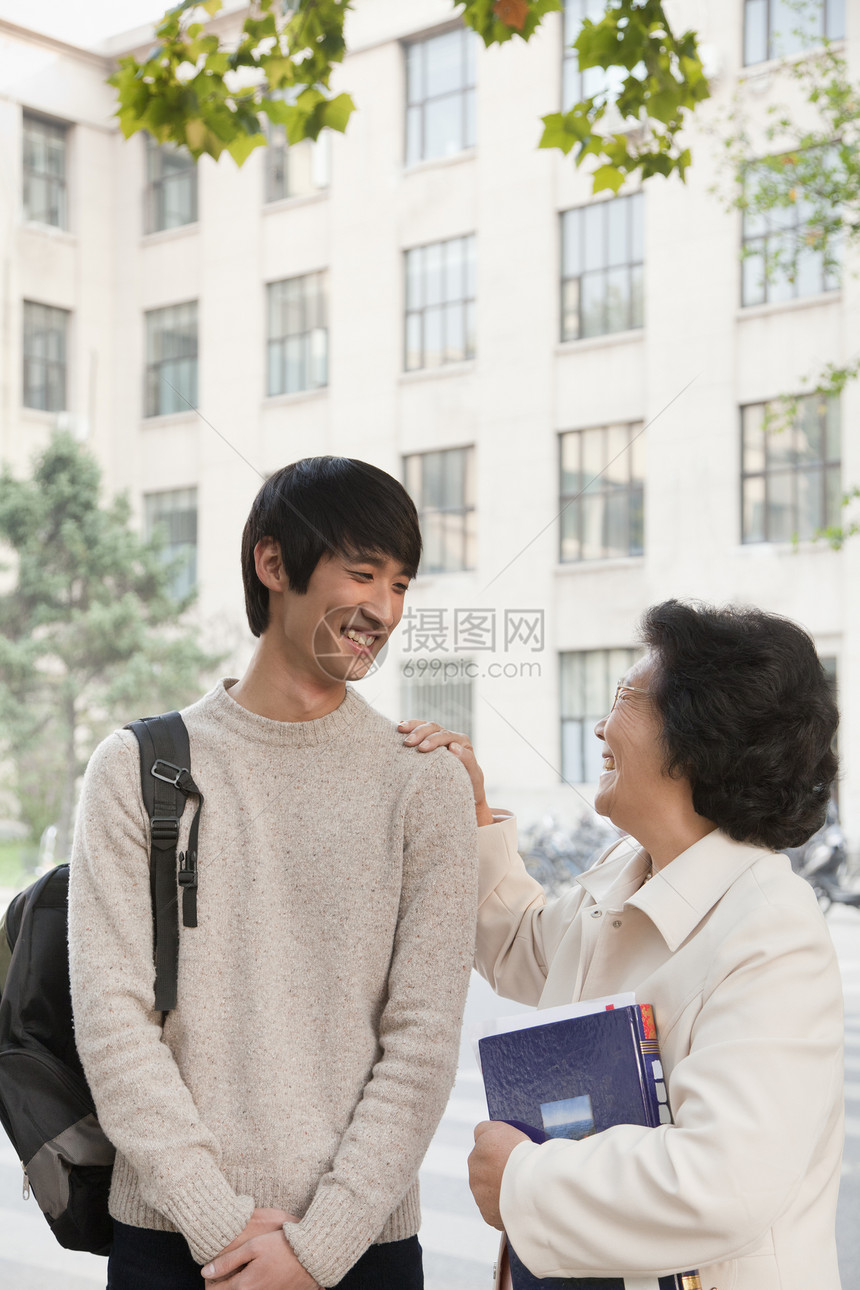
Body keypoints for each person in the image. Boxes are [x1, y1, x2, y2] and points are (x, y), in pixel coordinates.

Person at [68, 457, 478, 1290]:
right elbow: (114, 1021)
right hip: (172, 1241)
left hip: (365, 1248)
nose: (384, 609)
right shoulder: (137, 769)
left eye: (400, 584)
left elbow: (423, 1041)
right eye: (362, 573)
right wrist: (217, 1223)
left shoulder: (423, 781)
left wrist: (319, 1245)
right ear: (273, 563)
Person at [400, 599, 844, 1290]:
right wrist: (474, 817)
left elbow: (723, 1181)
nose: (603, 726)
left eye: (625, 699)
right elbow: (526, 948)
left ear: (698, 737)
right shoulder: (628, 866)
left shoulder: (771, 932)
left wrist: (523, 1179)